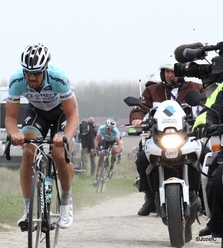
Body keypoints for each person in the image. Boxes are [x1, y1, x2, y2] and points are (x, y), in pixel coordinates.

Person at [5, 43, 79, 230]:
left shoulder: (58, 78)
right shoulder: (16, 81)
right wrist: (15, 133)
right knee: (28, 151)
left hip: (61, 113)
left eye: (37, 73)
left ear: (45, 69)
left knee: (59, 153)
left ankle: (66, 202)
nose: (31, 77)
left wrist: (64, 138)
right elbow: (11, 117)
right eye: (28, 72)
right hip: (37, 113)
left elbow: (72, 116)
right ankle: (27, 209)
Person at [130, 53, 204, 216]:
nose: (170, 75)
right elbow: (139, 109)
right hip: (159, 137)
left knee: (205, 155)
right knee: (143, 158)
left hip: (188, 136)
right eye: (167, 71)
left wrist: (207, 120)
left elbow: (207, 106)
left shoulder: (195, 88)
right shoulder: (152, 91)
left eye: (174, 71)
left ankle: (203, 197)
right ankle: (150, 198)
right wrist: (137, 119)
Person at [193, 82, 223, 237]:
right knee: (215, 179)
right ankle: (217, 225)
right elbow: (209, 110)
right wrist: (204, 124)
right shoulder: (222, 88)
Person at [93, 119, 122, 186]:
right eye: (108, 129)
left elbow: (119, 143)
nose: (110, 130)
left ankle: (111, 169)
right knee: (101, 156)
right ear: (106, 127)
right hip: (105, 141)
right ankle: (96, 178)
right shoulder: (101, 128)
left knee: (114, 151)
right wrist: (96, 147)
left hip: (113, 142)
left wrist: (117, 151)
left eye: (111, 129)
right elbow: (97, 139)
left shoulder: (115, 131)